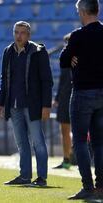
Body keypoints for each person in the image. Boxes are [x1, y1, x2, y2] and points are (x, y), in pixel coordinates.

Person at [0, 21, 53, 187]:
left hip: (33, 105)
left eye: (22, 33)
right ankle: (25, 176)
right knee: (22, 143)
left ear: (28, 35)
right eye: (16, 32)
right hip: (14, 106)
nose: (19, 36)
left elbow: (47, 80)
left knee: (38, 142)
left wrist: (46, 105)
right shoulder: (8, 51)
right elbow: (4, 79)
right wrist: (1, 102)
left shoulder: (38, 51)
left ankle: (41, 178)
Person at [60, 0, 103, 199]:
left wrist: (71, 56)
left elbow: (62, 60)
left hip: (83, 92)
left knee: (79, 141)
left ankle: (88, 187)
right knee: (99, 143)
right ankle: (101, 186)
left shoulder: (78, 35)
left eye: (78, 10)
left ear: (84, 11)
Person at [52, 34, 73, 169]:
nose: (67, 46)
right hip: (65, 98)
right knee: (64, 129)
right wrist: (58, 98)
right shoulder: (65, 60)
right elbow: (62, 81)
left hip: (81, 97)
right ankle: (66, 159)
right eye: (66, 43)